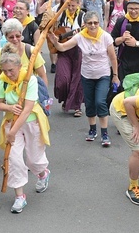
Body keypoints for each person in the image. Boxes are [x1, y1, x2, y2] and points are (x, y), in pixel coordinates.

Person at [0, 44, 51, 213]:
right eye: (5, 71)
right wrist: (9, 108)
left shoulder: (30, 80)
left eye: (11, 70)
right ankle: (19, 196)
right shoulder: (2, 81)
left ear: (20, 66)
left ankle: (43, 173)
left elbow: (27, 109)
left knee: (34, 159)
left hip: (31, 122)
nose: (8, 74)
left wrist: (11, 132)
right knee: (14, 159)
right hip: (11, 123)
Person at [49, 11, 119, 146]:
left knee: (100, 102)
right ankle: (92, 130)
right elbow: (63, 48)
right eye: (90, 23)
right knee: (90, 103)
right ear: (85, 24)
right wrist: (55, 43)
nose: (93, 26)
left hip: (103, 75)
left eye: (96, 23)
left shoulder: (105, 37)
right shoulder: (80, 36)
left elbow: (112, 57)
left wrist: (115, 76)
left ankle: (104, 133)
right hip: (87, 75)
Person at [52, 0, 85, 116]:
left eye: (73, 5)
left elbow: (89, 30)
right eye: (68, 5)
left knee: (77, 78)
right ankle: (66, 99)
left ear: (78, 4)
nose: (70, 8)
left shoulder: (83, 16)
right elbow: (52, 28)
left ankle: (77, 106)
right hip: (64, 49)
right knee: (63, 78)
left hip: (78, 49)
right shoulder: (60, 14)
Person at [0, 18, 48, 87]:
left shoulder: (31, 51)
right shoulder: (1, 53)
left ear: (21, 34)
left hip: (30, 93)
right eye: (11, 37)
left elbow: (42, 75)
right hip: (8, 93)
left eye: (18, 36)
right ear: (6, 37)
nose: (15, 39)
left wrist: (45, 95)